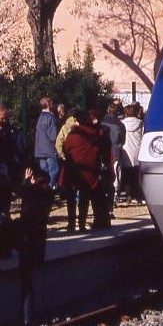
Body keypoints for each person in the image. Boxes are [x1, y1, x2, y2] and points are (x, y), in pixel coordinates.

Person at [61, 110, 113, 231]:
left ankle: (71, 223)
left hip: (73, 169)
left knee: (71, 198)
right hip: (91, 170)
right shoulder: (95, 134)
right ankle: (82, 224)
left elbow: (65, 147)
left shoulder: (73, 135)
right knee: (85, 197)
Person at [14, 167, 53, 326]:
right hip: (39, 241)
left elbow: (18, 190)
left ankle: (26, 319)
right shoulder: (49, 193)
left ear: (33, 178)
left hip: (27, 240)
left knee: (26, 282)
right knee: (34, 280)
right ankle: (34, 316)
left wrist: (25, 180)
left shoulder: (31, 191)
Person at [0, 103, 25, 259]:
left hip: (6, 178)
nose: (2, 121)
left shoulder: (12, 133)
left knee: (3, 212)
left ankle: (4, 247)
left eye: (4, 118)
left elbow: (20, 154)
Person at [101, 102, 126, 206]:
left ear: (108, 110)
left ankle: (102, 192)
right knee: (116, 172)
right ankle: (115, 194)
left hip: (103, 150)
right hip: (116, 150)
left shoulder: (101, 122)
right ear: (117, 112)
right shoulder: (120, 125)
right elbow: (123, 140)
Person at [34, 97, 59, 188]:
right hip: (49, 149)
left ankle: (43, 189)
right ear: (48, 105)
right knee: (54, 170)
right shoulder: (51, 117)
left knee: (44, 171)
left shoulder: (39, 117)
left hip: (40, 149)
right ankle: (48, 188)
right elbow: (53, 136)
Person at [120, 104, 144, 203]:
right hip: (137, 150)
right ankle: (137, 195)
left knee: (126, 174)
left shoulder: (122, 124)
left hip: (126, 150)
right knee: (136, 174)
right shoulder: (140, 123)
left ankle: (127, 193)